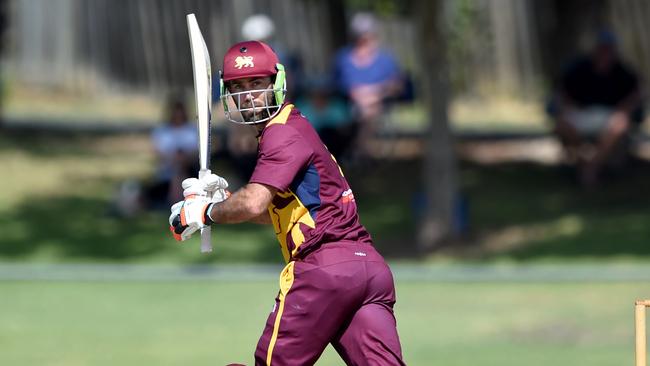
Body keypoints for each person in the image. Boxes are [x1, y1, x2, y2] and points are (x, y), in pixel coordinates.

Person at [169, 40, 405, 365]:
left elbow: (253, 203)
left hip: (324, 271)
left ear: (276, 83)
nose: (248, 94)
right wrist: (224, 200)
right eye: (238, 86)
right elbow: (275, 211)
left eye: (256, 83)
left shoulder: (281, 133)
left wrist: (205, 212)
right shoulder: (296, 127)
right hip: (369, 270)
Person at [549, 30, 643, 187]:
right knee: (562, 124)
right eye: (602, 48)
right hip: (581, 114)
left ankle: (590, 169)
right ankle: (583, 163)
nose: (605, 52)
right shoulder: (579, 69)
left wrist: (624, 110)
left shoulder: (623, 72)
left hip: (609, 116)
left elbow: (637, 93)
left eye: (609, 48)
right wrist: (566, 108)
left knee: (619, 125)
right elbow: (562, 92)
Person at [332, 12, 405, 158]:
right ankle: (363, 151)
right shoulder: (343, 59)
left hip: (380, 103)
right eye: (360, 37)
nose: (363, 41)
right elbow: (339, 84)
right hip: (349, 105)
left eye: (367, 36)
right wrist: (359, 95)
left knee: (369, 109)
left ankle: (360, 150)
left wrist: (376, 94)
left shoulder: (386, 60)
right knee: (365, 109)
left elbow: (397, 85)